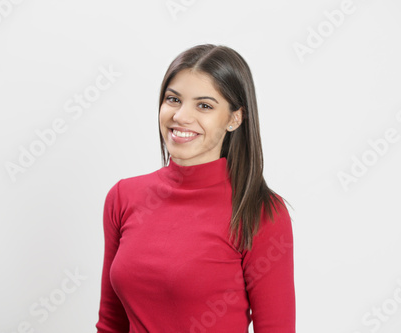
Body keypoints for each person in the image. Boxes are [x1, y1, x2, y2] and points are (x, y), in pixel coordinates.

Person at [96, 44, 295, 332]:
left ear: (234, 118)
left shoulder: (259, 211)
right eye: (173, 99)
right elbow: (111, 323)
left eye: (204, 105)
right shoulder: (124, 197)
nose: (181, 116)